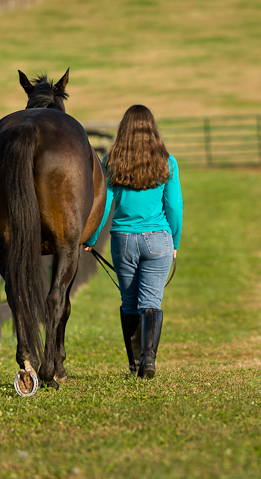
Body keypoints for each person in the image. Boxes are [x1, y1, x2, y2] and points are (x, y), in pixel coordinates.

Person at [83, 105, 183, 379]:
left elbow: (103, 207)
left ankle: (134, 363)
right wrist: (174, 240)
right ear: (152, 128)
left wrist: (91, 238)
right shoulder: (167, 161)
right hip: (158, 239)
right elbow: (174, 205)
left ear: (123, 129)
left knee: (129, 303)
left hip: (123, 240)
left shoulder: (112, 161)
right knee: (151, 302)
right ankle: (148, 360)